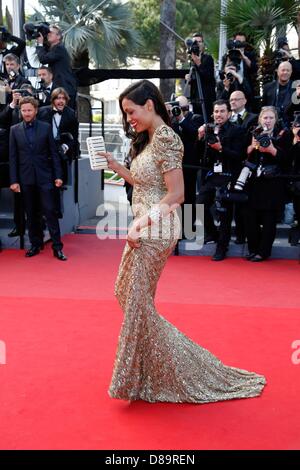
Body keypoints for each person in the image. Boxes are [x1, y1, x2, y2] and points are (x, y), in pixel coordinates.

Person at [99, 79, 265, 403]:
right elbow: (146, 184)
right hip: (143, 226)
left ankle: (139, 377)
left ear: (149, 105)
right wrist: (119, 168)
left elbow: (176, 195)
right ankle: (170, 362)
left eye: (131, 111)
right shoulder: (149, 139)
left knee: (136, 300)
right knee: (127, 293)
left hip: (156, 229)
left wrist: (141, 225)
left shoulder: (166, 138)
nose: (129, 118)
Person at [9, 96, 67, 261]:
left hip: (45, 177)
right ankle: (35, 244)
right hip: (25, 178)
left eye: (29, 110)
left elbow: (53, 154)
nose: (26, 113)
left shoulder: (46, 128)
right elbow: (13, 157)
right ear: (20, 111)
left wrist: (58, 176)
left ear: (35, 111)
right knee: (31, 213)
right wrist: (13, 180)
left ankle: (57, 247)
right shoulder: (14, 130)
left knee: (50, 211)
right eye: (24, 110)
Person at [243, 106, 290, 261]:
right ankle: (252, 248)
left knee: (269, 219)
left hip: (273, 182)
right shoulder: (254, 133)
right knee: (251, 217)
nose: (268, 121)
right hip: (255, 181)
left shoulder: (283, 135)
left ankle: (263, 252)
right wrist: (252, 146)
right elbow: (246, 156)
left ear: (275, 120)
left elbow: (287, 159)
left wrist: (271, 149)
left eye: (271, 118)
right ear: (260, 120)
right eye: (265, 118)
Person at [36, 25, 77, 109]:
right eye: (48, 33)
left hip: (65, 89)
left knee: (66, 116)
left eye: (51, 33)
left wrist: (40, 44)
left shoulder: (59, 48)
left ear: (58, 36)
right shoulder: (53, 48)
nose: (48, 34)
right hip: (61, 88)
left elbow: (43, 59)